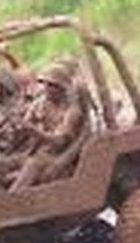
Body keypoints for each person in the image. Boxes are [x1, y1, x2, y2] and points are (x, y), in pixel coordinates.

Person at [9, 59, 91, 192]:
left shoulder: (71, 111)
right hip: (37, 152)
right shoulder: (40, 103)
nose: (46, 88)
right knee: (1, 163)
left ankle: (9, 204)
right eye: (44, 84)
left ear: (61, 87)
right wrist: (16, 127)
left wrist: (33, 130)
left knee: (33, 164)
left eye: (51, 85)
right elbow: (24, 125)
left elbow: (59, 142)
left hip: (56, 158)